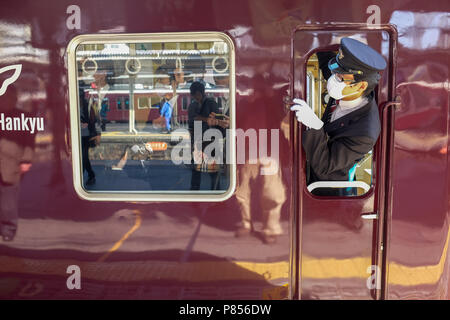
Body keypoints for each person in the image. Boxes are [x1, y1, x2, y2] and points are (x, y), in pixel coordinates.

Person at [290, 37, 386, 196]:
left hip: (329, 192)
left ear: (360, 86)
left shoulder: (364, 133)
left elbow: (325, 166)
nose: (333, 79)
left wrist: (315, 127)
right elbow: (328, 62)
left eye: (340, 78)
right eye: (335, 73)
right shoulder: (348, 88)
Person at [0, 85, 35, 241]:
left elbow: (29, 142)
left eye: (10, 97)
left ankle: (8, 230)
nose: (6, 100)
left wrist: (26, 160)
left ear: (14, 99)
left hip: (11, 164)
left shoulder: (24, 117)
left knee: (8, 201)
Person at [79, 62, 111, 186]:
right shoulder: (82, 104)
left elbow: (94, 118)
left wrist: (97, 133)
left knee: (83, 156)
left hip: (86, 135)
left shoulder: (87, 104)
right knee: (83, 156)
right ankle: (88, 176)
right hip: (80, 135)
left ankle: (85, 177)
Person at [188, 81, 220, 190]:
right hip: (198, 141)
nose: (195, 97)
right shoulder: (192, 106)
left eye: (197, 94)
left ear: (201, 93)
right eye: (194, 95)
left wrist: (202, 118)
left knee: (213, 169)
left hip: (211, 140)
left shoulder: (211, 103)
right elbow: (191, 123)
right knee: (196, 170)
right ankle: (194, 191)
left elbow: (217, 120)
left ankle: (215, 191)